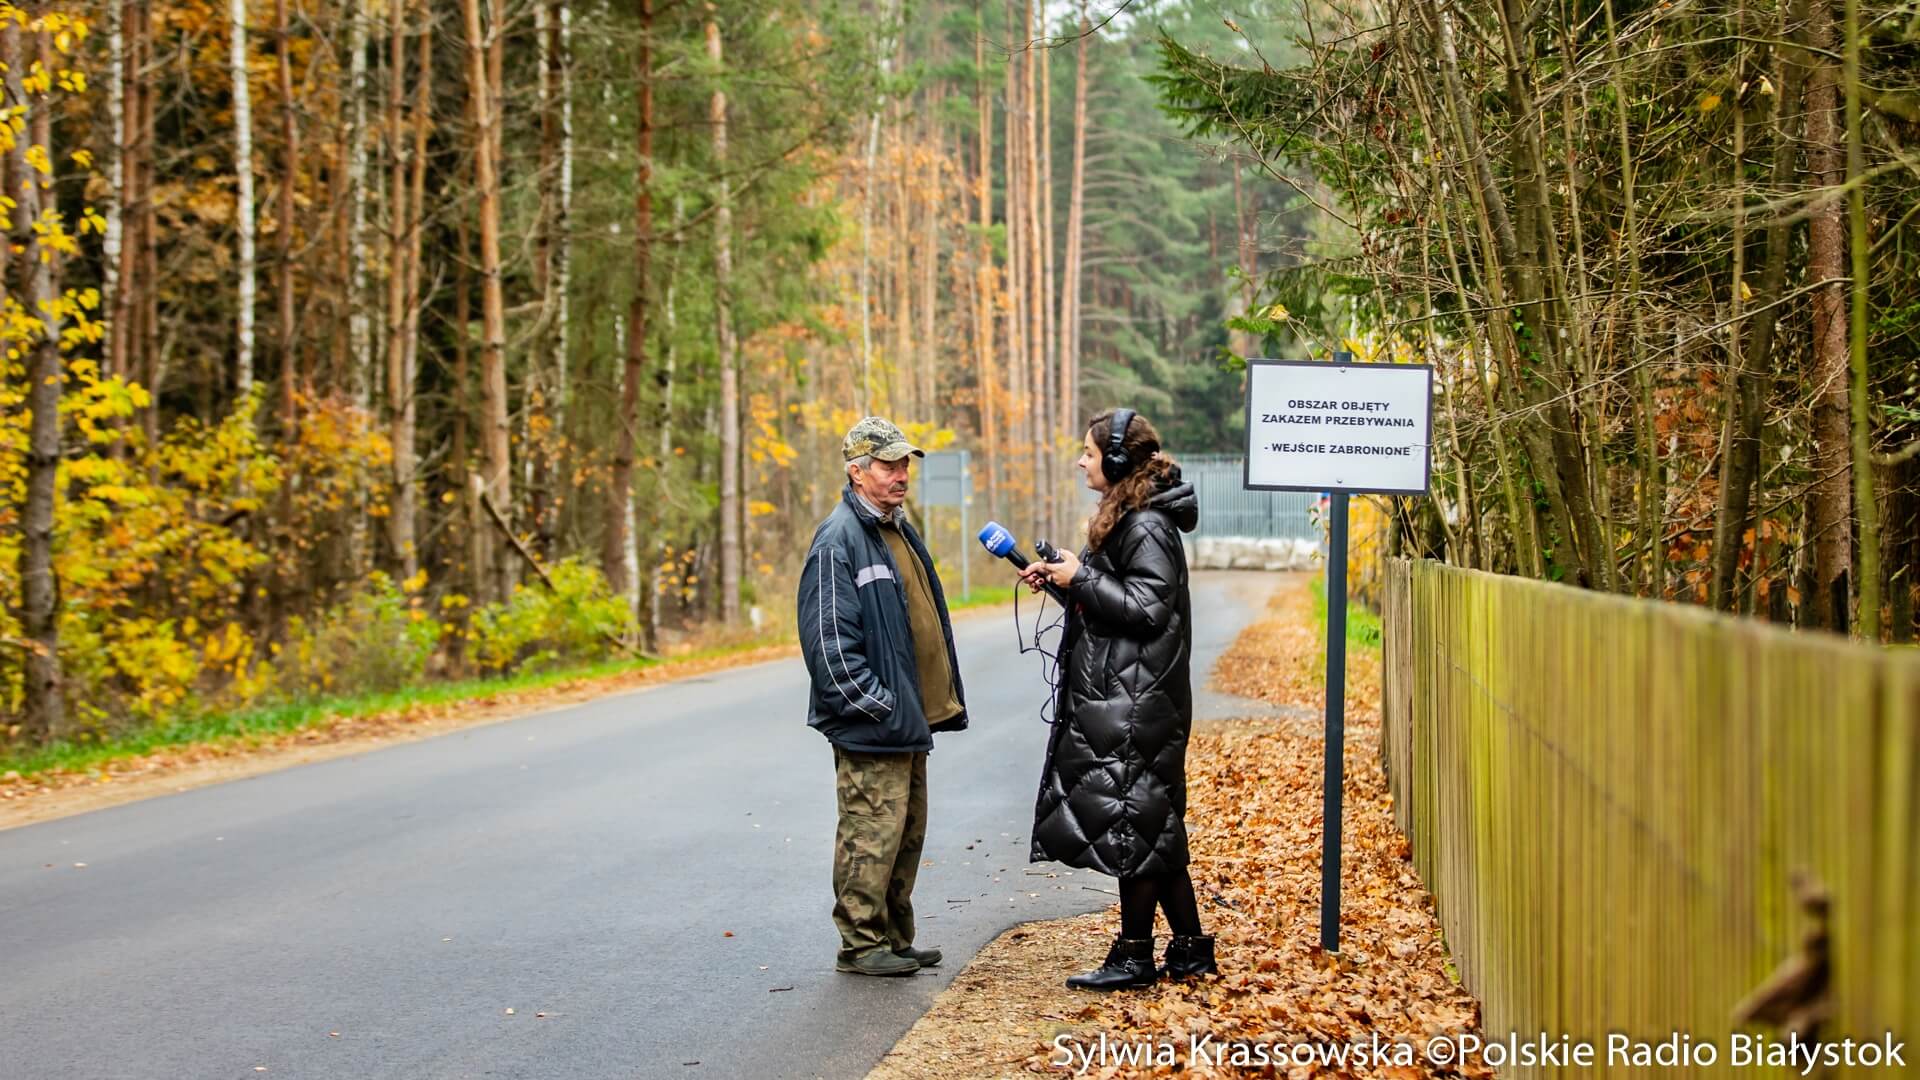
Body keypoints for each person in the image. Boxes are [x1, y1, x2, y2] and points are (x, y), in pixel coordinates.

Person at [1015, 407, 1215, 990]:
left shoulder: (1146, 525)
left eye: (1089, 451)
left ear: (1119, 460)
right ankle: (1189, 948)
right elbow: (1113, 610)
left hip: (1138, 700)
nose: (1081, 460)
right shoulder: (1133, 517)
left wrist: (1081, 577)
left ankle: (1134, 955)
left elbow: (1148, 610)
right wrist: (1064, 582)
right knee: (1154, 824)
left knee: (1134, 824)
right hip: (1132, 693)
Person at [797, 416, 969, 977]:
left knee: (904, 834)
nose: (901, 475)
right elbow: (829, 644)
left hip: (905, 720)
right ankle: (860, 945)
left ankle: (894, 938)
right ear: (857, 471)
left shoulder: (893, 528)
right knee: (869, 834)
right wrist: (879, 705)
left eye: (904, 465)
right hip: (876, 721)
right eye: (889, 465)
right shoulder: (838, 539)